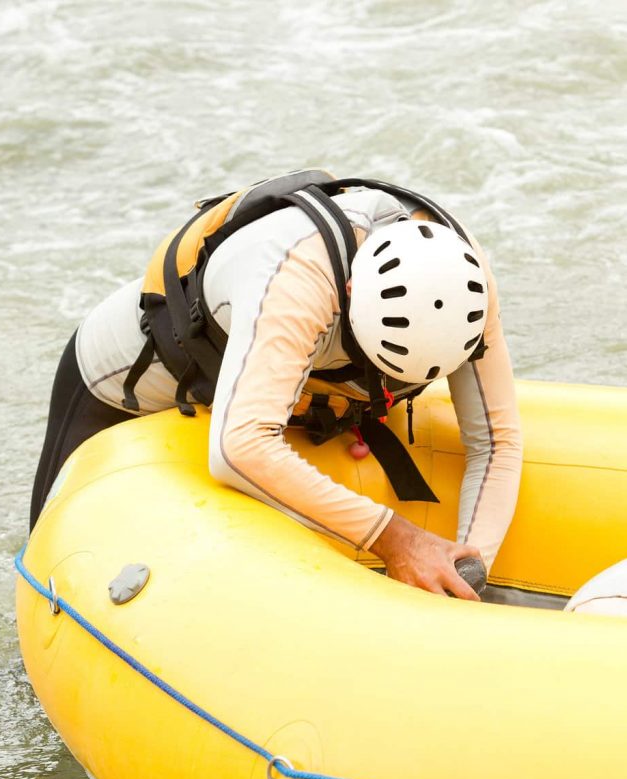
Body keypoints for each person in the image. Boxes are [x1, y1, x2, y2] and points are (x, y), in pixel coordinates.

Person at [30, 172, 522, 600]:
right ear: (349, 294)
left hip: (289, 383)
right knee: (49, 569)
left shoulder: (466, 279)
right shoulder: (298, 275)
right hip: (122, 381)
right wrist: (397, 539)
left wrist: (467, 571)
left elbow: (497, 440)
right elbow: (238, 448)